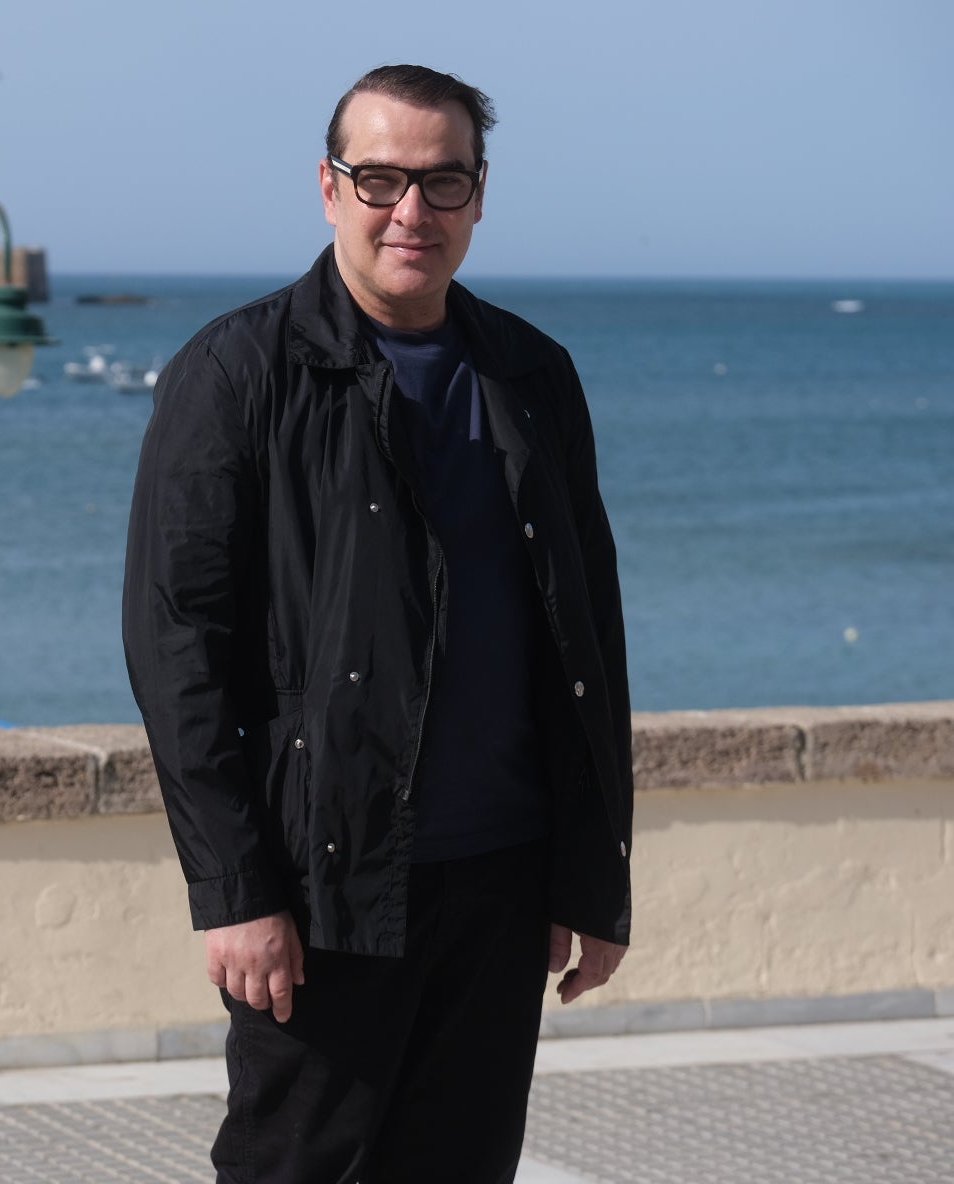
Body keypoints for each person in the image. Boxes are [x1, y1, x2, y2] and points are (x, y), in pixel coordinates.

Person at [122, 64, 633, 1183]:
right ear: (328, 187)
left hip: (501, 877)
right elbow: (177, 650)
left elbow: (586, 639)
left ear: (479, 196)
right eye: (381, 179)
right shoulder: (237, 372)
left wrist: (592, 877)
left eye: (442, 182)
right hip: (322, 885)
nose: (412, 212)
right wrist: (235, 889)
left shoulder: (533, 375)